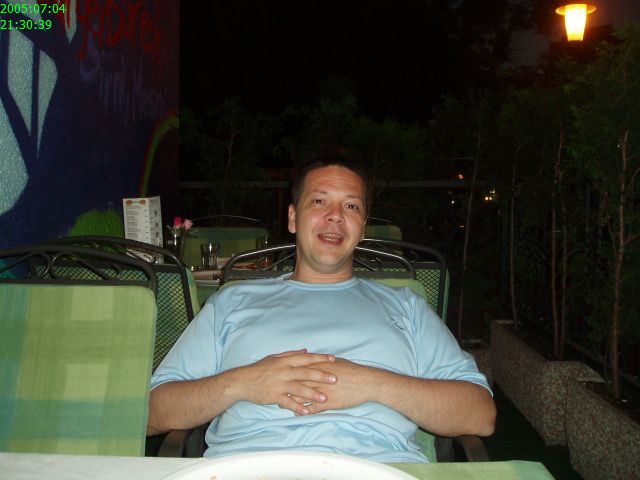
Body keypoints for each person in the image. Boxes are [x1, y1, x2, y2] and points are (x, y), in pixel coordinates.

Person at [147, 157, 496, 462]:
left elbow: (479, 414)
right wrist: (242, 383)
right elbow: (152, 413)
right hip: (249, 466)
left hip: (379, 468)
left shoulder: (406, 305)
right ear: (293, 217)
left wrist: (373, 383)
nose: (335, 217)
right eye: (319, 201)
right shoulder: (231, 301)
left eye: (351, 206)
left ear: (362, 226)